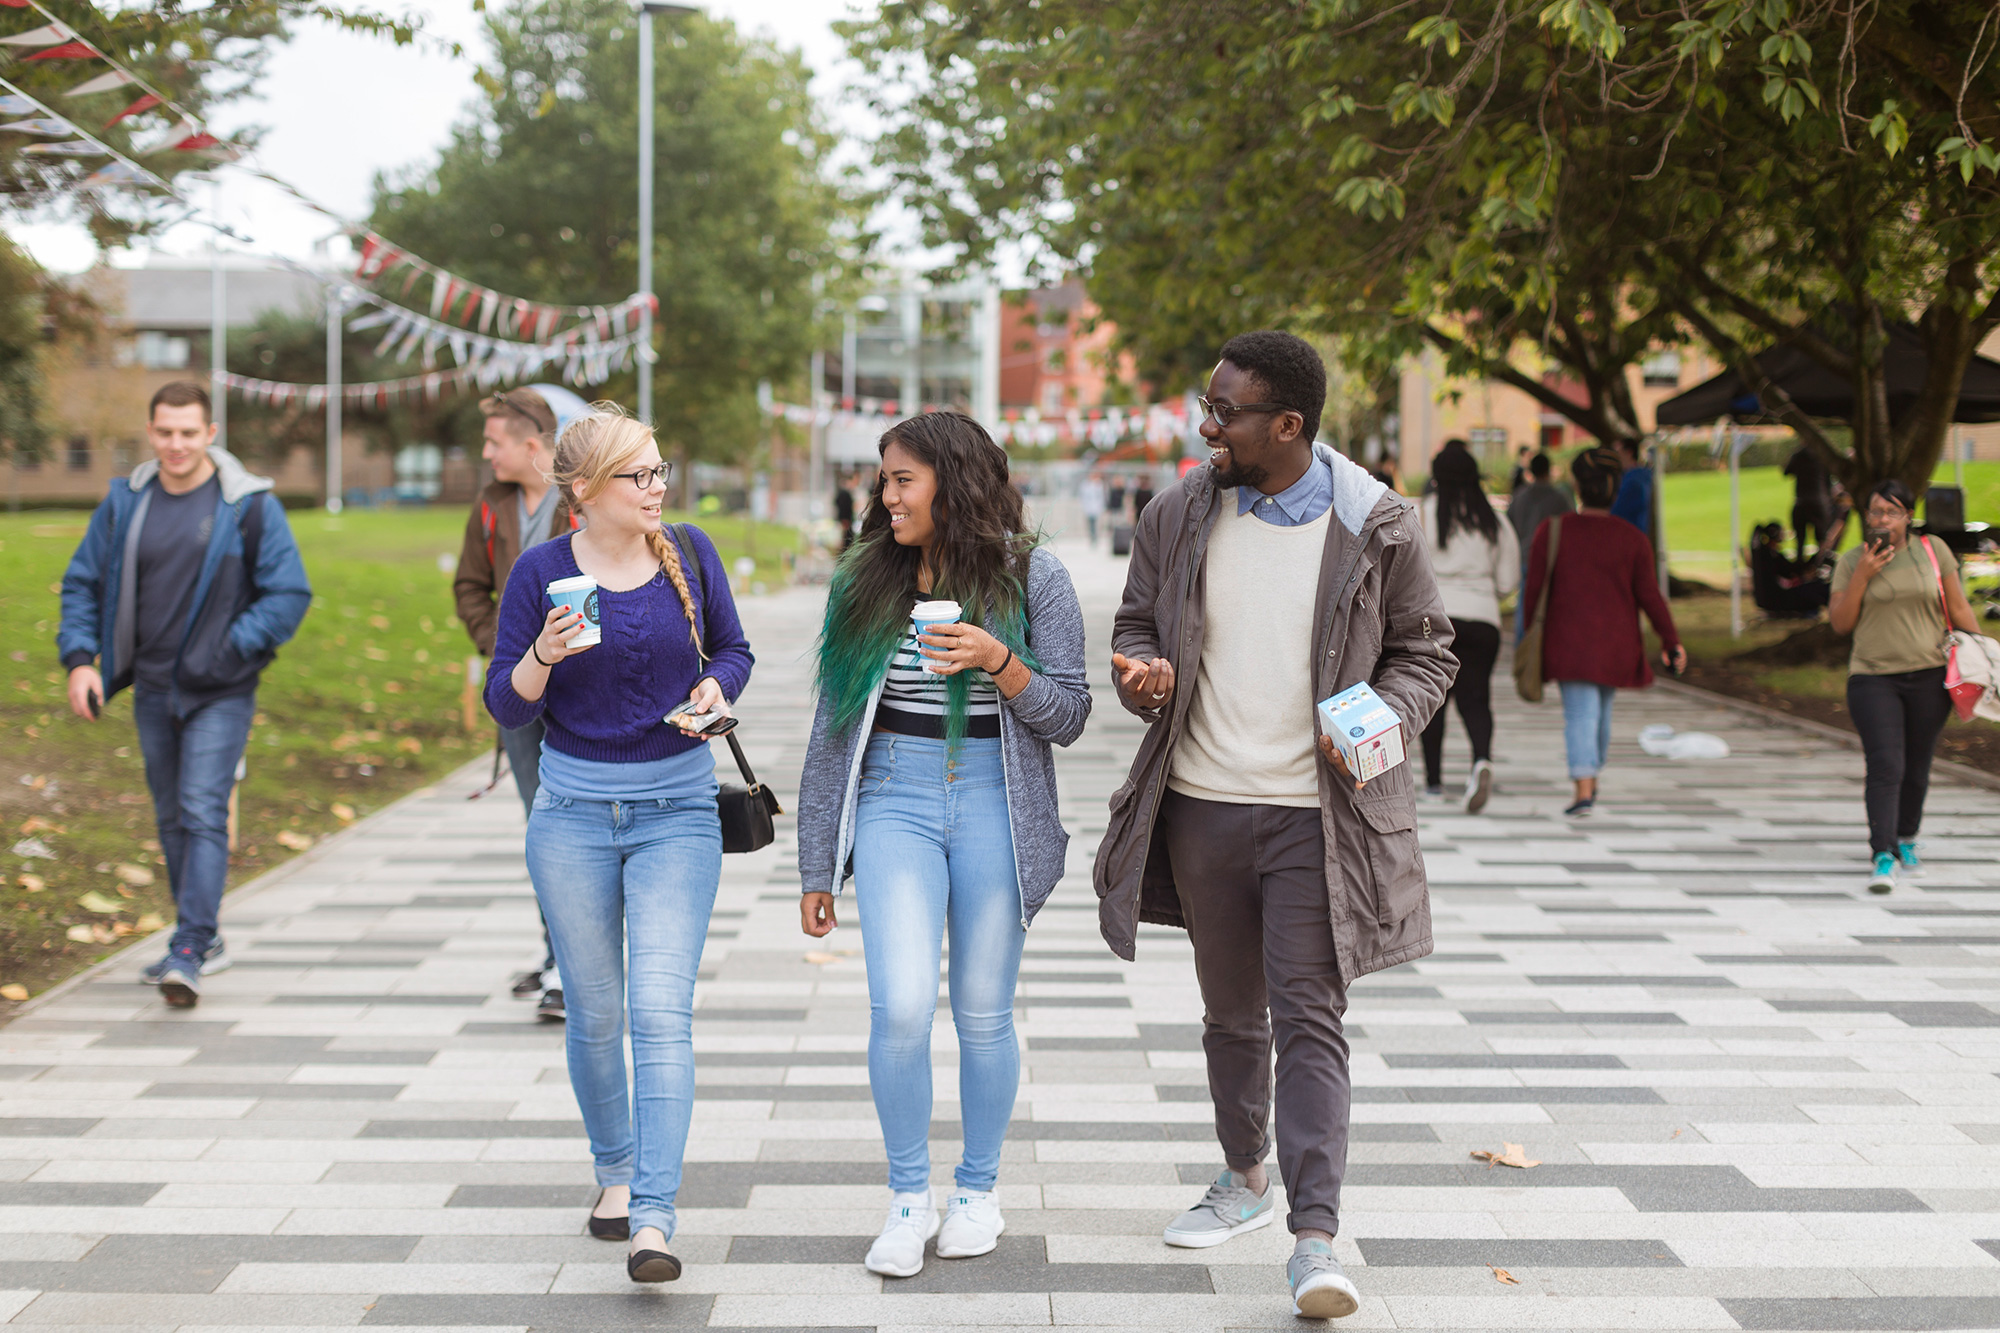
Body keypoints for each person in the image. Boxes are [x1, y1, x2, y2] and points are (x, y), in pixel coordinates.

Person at [1093, 331, 1456, 1320]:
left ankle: (1313, 1238)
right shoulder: (1177, 510)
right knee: (1226, 1013)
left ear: (1286, 425)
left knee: (1308, 1016)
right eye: (1206, 406)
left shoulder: (1375, 524)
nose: (1206, 426)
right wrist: (1140, 672)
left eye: (1225, 413)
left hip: (1318, 820)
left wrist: (1385, 715)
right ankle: (1242, 1175)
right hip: (1201, 808)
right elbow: (1132, 625)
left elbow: (1427, 652)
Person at [796, 412, 1091, 1279]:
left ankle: (976, 1191)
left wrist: (999, 659)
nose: (885, 495)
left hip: (996, 806)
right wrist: (818, 861)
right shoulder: (864, 580)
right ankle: (905, 1198)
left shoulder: (1037, 575)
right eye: (885, 479)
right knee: (898, 1006)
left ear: (953, 484)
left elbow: (1068, 715)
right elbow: (830, 731)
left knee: (982, 1009)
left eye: (901, 479)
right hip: (894, 802)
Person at [485, 405, 752, 1284]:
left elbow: (735, 649)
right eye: (639, 475)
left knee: (659, 1010)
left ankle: (655, 1215)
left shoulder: (691, 550)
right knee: (596, 1013)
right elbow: (508, 704)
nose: (657, 486)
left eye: (659, 468)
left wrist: (714, 688)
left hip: (678, 810)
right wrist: (543, 655)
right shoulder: (540, 572)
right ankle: (614, 1171)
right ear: (585, 489)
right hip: (570, 815)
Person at [57, 381, 312, 1008]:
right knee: (172, 817)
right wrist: (81, 661)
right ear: (151, 432)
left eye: (188, 433)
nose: (176, 444)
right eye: (165, 432)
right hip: (151, 686)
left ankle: (191, 946)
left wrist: (228, 650)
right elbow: (81, 583)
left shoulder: (246, 506)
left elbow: (288, 594)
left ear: (210, 434)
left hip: (220, 689)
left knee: (201, 809)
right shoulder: (125, 504)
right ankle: (201, 937)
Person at [453, 387, 571, 1021]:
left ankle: (580, 961)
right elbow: (469, 587)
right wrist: (499, 649)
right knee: (544, 828)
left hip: (582, 694)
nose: (485, 452)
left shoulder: (582, 499)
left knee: (583, 824)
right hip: (519, 695)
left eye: (494, 441)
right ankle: (559, 956)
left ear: (532, 446)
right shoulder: (492, 507)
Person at [1828, 479, 1982, 893]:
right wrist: (1862, 574)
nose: (1881, 520)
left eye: (1890, 512)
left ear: (1908, 517)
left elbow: (1958, 606)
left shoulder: (1932, 551)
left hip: (1930, 676)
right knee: (1886, 764)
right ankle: (1882, 852)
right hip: (1873, 677)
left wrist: (1987, 654)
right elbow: (1841, 623)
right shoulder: (1850, 561)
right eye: (1874, 512)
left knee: (1916, 765)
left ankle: (1906, 839)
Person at [1520, 448, 1685, 818]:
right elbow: (1651, 597)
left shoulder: (1554, 531)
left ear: (1577, 486)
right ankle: (1585, 787)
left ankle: (1587, 781)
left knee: (1590, 716)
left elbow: (1533, 590)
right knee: (1591, 715)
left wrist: (1530, 634)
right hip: (1616, 645)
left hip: (1568, 642)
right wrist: (1671, 640)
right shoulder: (1631, 539)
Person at [1416, 441, 1517, 812]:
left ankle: (1434, 783)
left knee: (1434, 700)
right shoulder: (1494, 520)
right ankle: (1481, 760)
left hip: (1437, 620)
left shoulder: (1420, 514)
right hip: (1484, 619)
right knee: (1477, 697)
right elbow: (1508, 580)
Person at [1506, 452, 1574, 640]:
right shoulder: (1560, 498)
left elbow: (1508, 526)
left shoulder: (1519, 496)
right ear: (1549, 470)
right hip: (1551, 560)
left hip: (1524, 557)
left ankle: (1523, 645)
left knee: (1524, 605)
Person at [1784, 444, 1836, 563]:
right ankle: (1820, 567)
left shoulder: (1798, 455)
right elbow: (1829, 480)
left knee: (1800, 542)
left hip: (1802, 502)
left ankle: (1800, 569)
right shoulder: (1823, 455)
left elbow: (1786, 471)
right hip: (1820, 502)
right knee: (1822, 541)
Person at [1608, 437, 1653, 533]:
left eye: (1617, 453)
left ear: (1629, 453)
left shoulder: (1634, 481)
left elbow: (1616, 512)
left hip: (1629, 535)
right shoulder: (1637, 476)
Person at [1079, 471, 1107, 545]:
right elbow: (1083, 496)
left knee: (1096, 524)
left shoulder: (1098, 484)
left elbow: (1101, 497)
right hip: (1088, 507)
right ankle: (1092, 538)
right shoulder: (1085, 484)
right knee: (1090, 523)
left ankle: (1095, 538)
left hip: (1096, 507)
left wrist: (1102, 507)